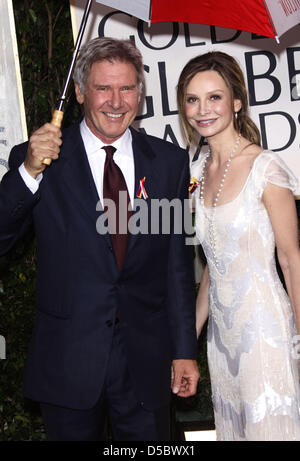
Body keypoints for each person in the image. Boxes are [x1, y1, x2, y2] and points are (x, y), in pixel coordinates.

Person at [0, 37, 200, 441]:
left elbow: (175, 267)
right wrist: (27, 173)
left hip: (146, 364)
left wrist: (184, 351)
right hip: (68, 364)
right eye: (102, 88)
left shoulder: (167, 164)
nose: (115, 101)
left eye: (126, 88)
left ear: (139, 95)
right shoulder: (41, 159)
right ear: (79, 92)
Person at [177, 51, 300, 441]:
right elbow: (215, 266)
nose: (202, 110)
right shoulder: (199, 174)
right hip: (222, 342)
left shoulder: (267, 167)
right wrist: (185, 345)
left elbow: (291, 259)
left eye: (214, 97)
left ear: (236, 101)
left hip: (265, 334)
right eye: (192, 99)